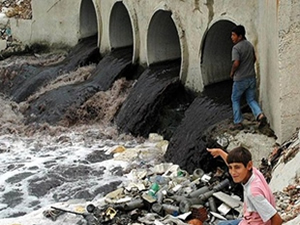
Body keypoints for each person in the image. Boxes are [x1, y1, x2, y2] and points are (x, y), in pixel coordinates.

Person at [207, 147, 282, 225]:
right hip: (251, 218)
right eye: (230, 168)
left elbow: (277, 219)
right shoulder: (254, 172)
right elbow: (233, 162)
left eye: (237, 167)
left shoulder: (253, 192)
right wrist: (220, 152)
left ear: (249, 165)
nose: (232, 172)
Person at [230, 25, 267, 130]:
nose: (232, 37)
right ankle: (259, 114)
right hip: (251, 77)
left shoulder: (236, 48)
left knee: (235, 99)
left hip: (240, 79)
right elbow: (254, 58)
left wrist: (232, 72)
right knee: (250, 99)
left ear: (240, 36)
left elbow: (236, 63)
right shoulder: (249, 45)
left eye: (233, 35)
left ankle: (238, 121)